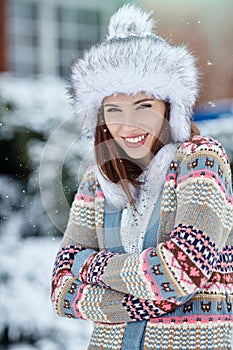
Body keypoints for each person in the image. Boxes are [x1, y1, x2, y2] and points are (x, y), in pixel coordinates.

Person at [51, 4, 233, 349]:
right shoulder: (97, 181)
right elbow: (61, 290)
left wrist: (89, 264)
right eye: (114, 109)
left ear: (169, 107)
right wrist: (146, 295)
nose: (128, 123)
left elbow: (183, 272)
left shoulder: (201, 160)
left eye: (144, 106)